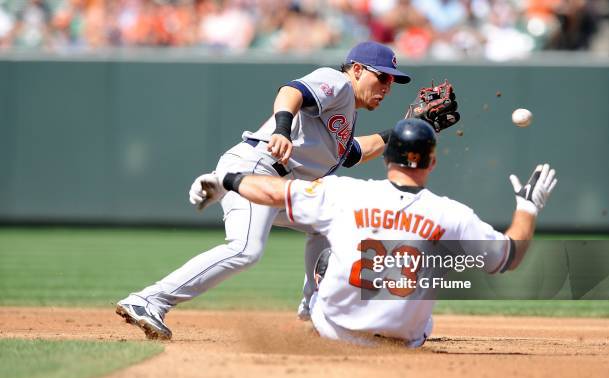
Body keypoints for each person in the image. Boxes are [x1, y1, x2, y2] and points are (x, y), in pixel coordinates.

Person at [116, 41, 459, 340]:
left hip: (284, 186)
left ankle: (315, 314)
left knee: (334, 222)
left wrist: (407, 129)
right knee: (246, 249)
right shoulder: (336, 82)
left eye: (393, 81)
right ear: (356, 69)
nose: (387, 86)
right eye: (381, 76)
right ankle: (149, 300)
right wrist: (281, 128)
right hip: (257, 169)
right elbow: (291, 91)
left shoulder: (347, 112)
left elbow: (354, 153)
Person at [189, 118, 558, 347]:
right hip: (403, 341)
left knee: (327, 254)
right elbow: (511, 255)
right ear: (432, 161)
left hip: (334, 331)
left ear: (386, 159)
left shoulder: (344, 192)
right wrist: (527, 207)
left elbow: (271, 191)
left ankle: (313, 314)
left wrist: (226, 179)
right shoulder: (453, 214)